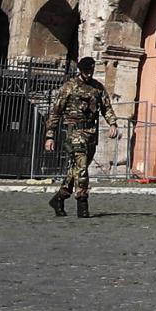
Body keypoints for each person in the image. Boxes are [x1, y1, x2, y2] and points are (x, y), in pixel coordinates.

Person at [44, 56, 112, 218]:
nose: (88, 74)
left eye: (91, 71)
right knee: (81, 169)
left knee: (77, 169)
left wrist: (113, 124)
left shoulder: (97, 87)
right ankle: (82, 203)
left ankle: (59, 198)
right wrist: (50, 135)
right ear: (80, 70)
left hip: (90, 133)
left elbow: (106, 107)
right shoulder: (69, 87)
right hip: (74, 133)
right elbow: (55, 112)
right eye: (86, 71)